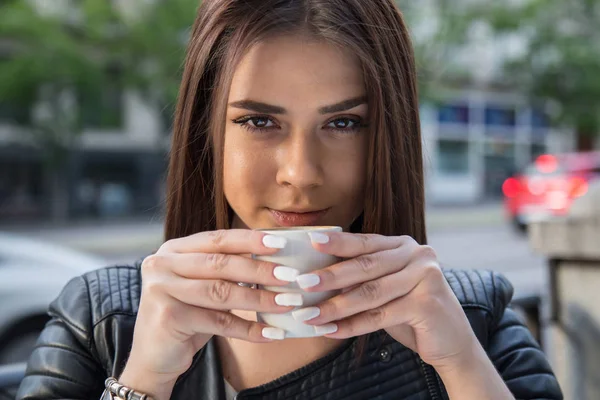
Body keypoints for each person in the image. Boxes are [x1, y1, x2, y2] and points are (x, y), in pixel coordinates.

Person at [17, 0, 563, 399]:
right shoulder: (102, 320)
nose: (300, 174)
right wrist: (144, 382)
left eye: (344, 123)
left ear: (389, 137)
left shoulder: (475, 317)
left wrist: (460, 364)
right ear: (207, 133)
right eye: (259, 121)